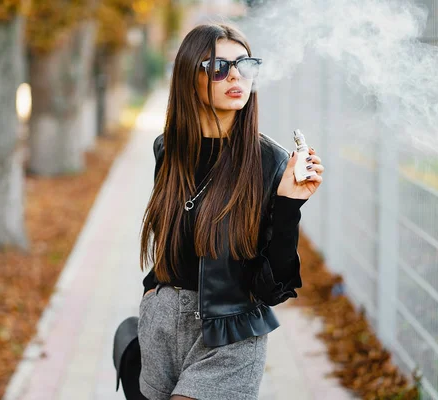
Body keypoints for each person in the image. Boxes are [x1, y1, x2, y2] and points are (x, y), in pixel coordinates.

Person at [137, 23, 324, 400]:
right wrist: (152, 295)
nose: (236, 76)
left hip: (230, 335)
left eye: (245, 64)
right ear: (191, 77)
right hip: (160, 326)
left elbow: (275, 286)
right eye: (219, 67)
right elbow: (171, 239)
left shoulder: (269, 160)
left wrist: (289, 204)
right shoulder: (168, 149)